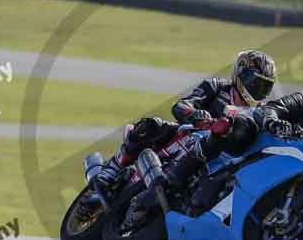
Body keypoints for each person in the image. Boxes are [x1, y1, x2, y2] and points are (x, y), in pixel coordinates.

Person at [95, 50, 277, 194]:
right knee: (152, 125)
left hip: (217, 157)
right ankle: (112, 169)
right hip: (188, 134)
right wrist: (195, 114)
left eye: (264, 86)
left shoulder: (259, 113)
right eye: (255, 82)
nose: (258, 89)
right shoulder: (217, 86)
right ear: (241, 75)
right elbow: (181, 105)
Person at [167, 68, 303, 190]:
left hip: (290, 167)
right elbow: (272, 108)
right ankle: (180, 172)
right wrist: (273, 122)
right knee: (238, 127)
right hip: (260, 147)